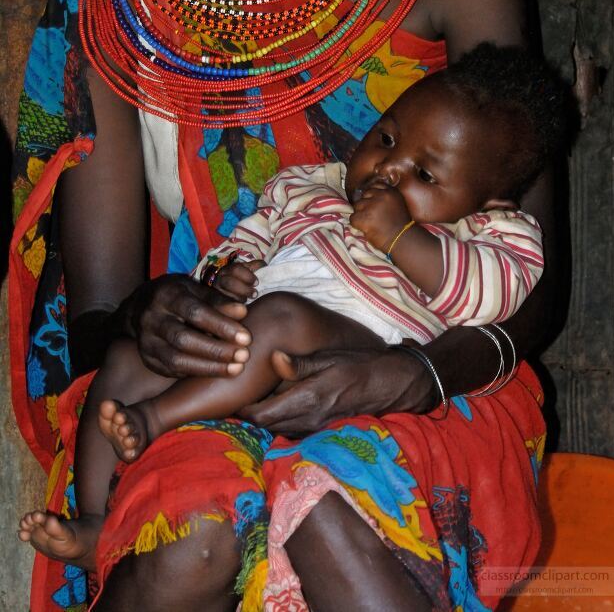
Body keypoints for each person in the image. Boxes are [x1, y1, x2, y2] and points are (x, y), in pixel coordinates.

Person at [10, 0, 557, 612]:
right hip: (199, 379)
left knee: (335, 502)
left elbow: (535, 289)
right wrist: (158, 313)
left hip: (427, 361)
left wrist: (409, 374)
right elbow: (95, 318)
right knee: (192, 534)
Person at [18, 42, 564, 568]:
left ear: (489, 202)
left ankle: (155, 418)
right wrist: (224, 277)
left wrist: (402, 239)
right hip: (255, 333)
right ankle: (95, 520)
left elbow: (490, 295)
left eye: (424, 175)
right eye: (386, 139)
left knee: (283, 315)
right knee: (128, 358)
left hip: (358, 350)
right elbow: (250, 238)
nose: (387, 171)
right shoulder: (309, 188)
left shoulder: (495, 236)